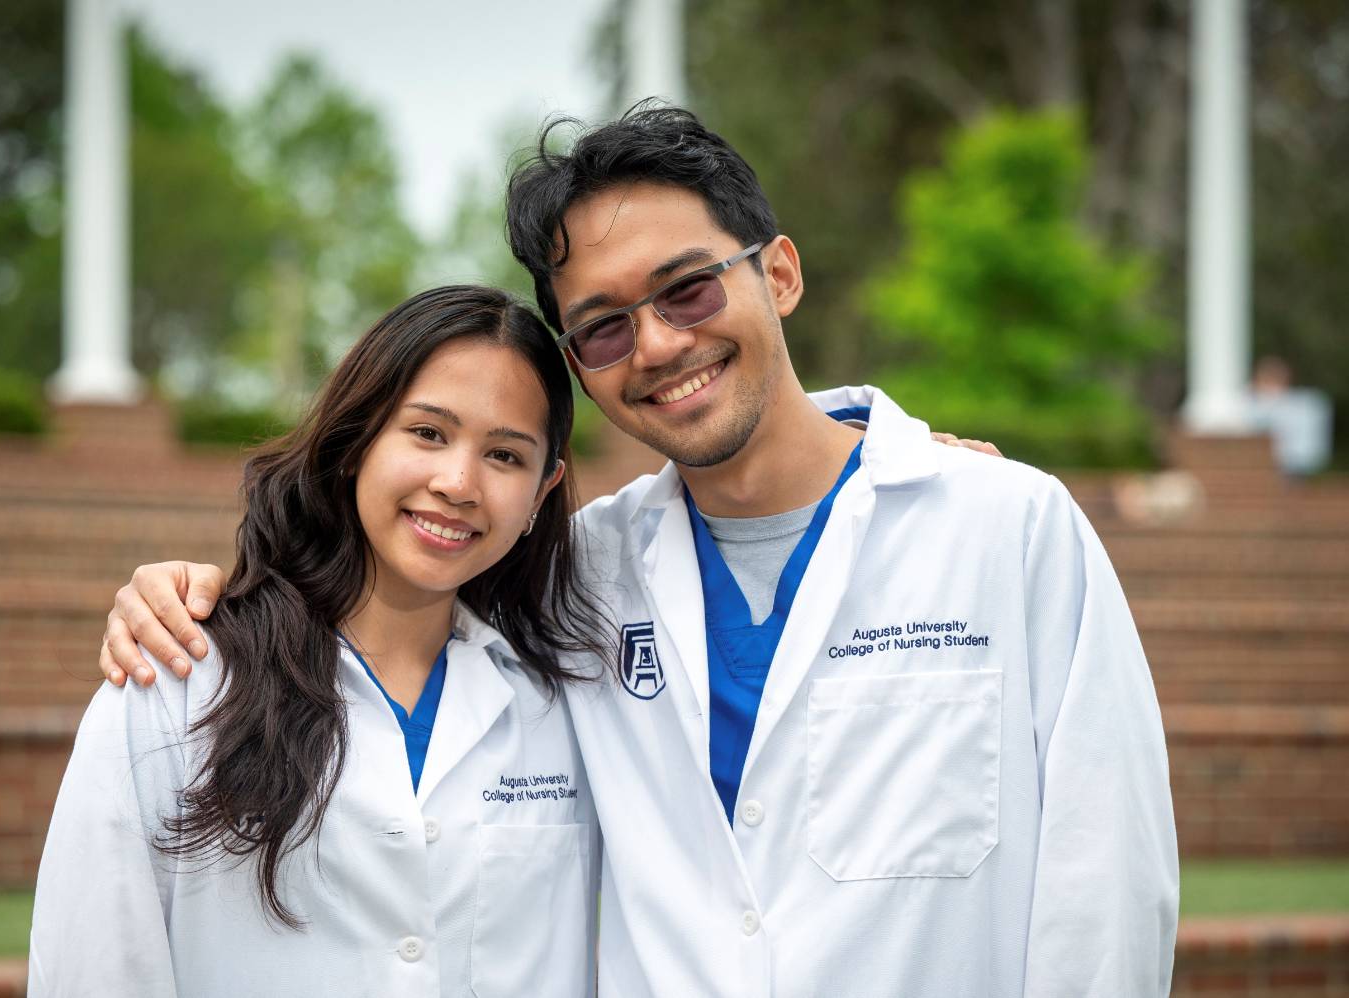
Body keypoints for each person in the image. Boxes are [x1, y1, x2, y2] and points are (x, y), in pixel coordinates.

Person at [99, 105, 1178, 996]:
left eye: (688, 287)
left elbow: (1105, 895)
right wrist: (197, 590)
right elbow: (399, 562)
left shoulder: (1007, 529)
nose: (657, 344)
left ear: (782, 274)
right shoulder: (587, 572)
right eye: (604, 326)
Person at [29, 287, 608, 997]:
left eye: (505, 456)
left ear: (543, 492)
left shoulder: (572, 705)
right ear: (356, 440)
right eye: (427, 433)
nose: (458, 483)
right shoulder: (177, 683)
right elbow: (95, 968)